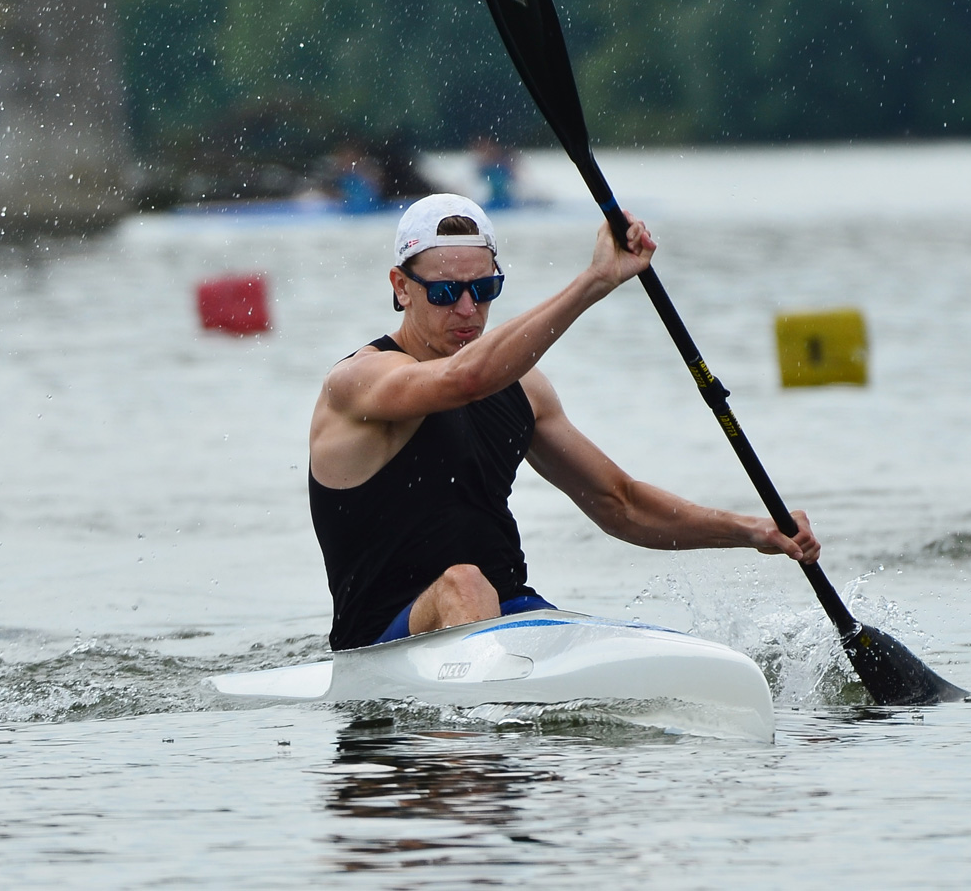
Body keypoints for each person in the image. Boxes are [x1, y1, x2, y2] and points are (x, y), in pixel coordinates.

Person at [308, 193, 822, 651]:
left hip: (510, 615)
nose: (467, 308)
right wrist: (596, 280)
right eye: (445, 293)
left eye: (484, 288)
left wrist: (755, 529)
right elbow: (460, 381)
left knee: (635, 661)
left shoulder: (524, 388)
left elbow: (620, 503)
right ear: (401, 287)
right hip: (381, 638)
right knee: (464, 583)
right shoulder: (359, 383)